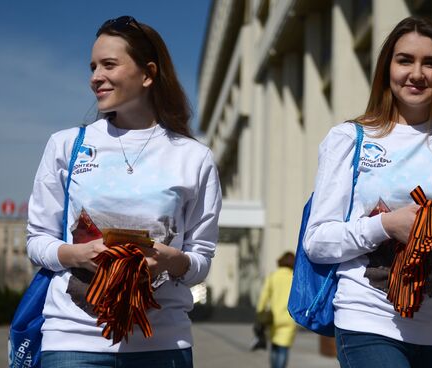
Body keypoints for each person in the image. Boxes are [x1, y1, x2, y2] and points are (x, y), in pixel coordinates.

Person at [303, 17, 432, 368]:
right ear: (387, 68)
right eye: (405, 60)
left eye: (430, 63)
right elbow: (318, 242)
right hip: (368, 319)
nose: (417, 73)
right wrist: (385, 226)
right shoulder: (349, 139)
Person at [26, 16, 221, 368]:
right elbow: (37, 240)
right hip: (72, 340)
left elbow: (201, 258)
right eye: (92, 67)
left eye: (109, 65)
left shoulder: (194, 157)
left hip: (162, 343)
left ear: (147, 74)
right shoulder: (66, 145)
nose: (95, 77)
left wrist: (172, 260)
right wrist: (77, 254)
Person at [255, 251, 297, 368]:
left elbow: (264, 296)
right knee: (283, 349)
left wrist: (260, 312)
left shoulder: (273, 276)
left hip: (274, 318)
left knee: (274, 345)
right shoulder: (294, 277)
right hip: (290, 318)